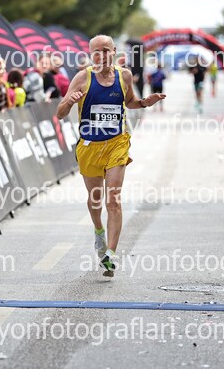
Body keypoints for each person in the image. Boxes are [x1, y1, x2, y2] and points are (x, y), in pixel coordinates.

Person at [56, 35, 166, 277]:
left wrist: (145, 102)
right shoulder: (82, 77)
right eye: (96, 51)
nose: (101, 55)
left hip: (117, 143)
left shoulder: (124, 76)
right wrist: (69, 102)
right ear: (90, 54)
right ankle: (98, 231)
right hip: (89, 146)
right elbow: (60, 112)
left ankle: (111, 254)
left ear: (114, 51)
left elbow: (130, 101)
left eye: (106, 50)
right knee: (95, 200)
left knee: (113, 199)